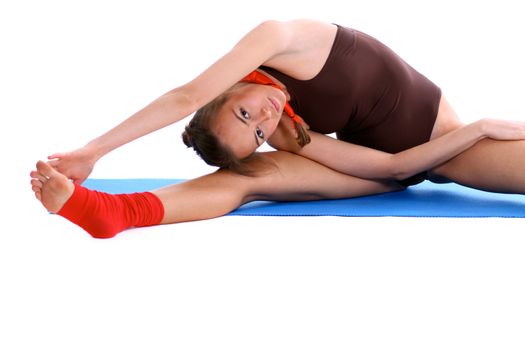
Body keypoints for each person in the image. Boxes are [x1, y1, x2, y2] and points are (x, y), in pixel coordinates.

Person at [30, 19, 525, 239]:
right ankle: (118, 212)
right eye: (257, 133)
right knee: (253, 178)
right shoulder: (288, 129)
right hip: (395, 165)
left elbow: (185, 97)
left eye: (246, 115)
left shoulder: (280, 40)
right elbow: (394, 168)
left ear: (228, 89)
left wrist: (94, 150)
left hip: (448, 148)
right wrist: (480, 126)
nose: (265, 119)